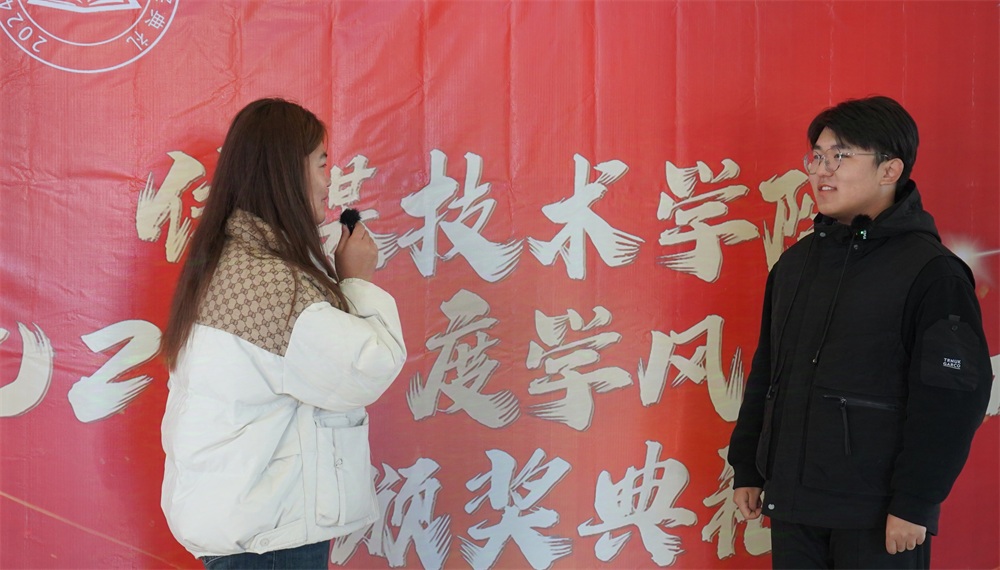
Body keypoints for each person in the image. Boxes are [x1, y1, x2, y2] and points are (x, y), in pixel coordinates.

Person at [728, 96, 992, 569]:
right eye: (817, 157)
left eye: (840, 156)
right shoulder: (796, 264)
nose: (821, 171)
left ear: (890, 169)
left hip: (877, 515)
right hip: (795, 506)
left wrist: (916, 500)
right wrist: (748, 464)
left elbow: (952, 399)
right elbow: (768, 372)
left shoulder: (932, 273)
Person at [159, 98, 406, 569]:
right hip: (268, 541)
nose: (329, 180)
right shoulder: (270, 283)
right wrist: (357, 281)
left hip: (252, 528)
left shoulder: (232, 261)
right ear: (285, 173)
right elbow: (369, 368)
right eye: (322, 164)